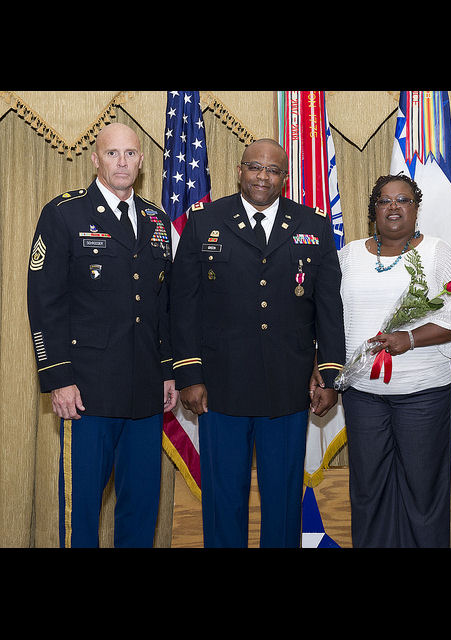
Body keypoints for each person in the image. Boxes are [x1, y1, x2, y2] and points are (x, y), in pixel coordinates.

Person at [170, 138, 345, 548]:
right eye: (254, 167)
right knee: (223, 497)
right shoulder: (205, 220)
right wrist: (189, 375)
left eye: (272, 170)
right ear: (239, 170)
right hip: (220, 387)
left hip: (287, 387)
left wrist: (330, 374)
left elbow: (328, 307)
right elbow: (183, 304)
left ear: (285, 177)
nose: (262, 177)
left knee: (283, 500)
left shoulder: (313, 224)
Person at [27, 122, 177, 548]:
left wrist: (168, 371)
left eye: (130, 154)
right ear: (95, 159)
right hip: (86, 391)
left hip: (145, 390)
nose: (122, 162)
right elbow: (44, 301)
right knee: (82, 507)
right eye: (112, 153)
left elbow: (164, 305)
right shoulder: (65, 213)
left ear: (142, 160)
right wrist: (58, 377)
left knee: (141, 507)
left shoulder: (157, 220)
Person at [336, 174, 451, 547]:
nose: (394, 207)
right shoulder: (348, 255)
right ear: (373, 211)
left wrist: (410, 338)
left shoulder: (438, 252)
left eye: (403, 200)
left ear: (416, 209)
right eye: (384, 201)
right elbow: (330, 316)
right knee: (368, 490)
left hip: (422, 395)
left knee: (422, 490)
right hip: (363, 396)